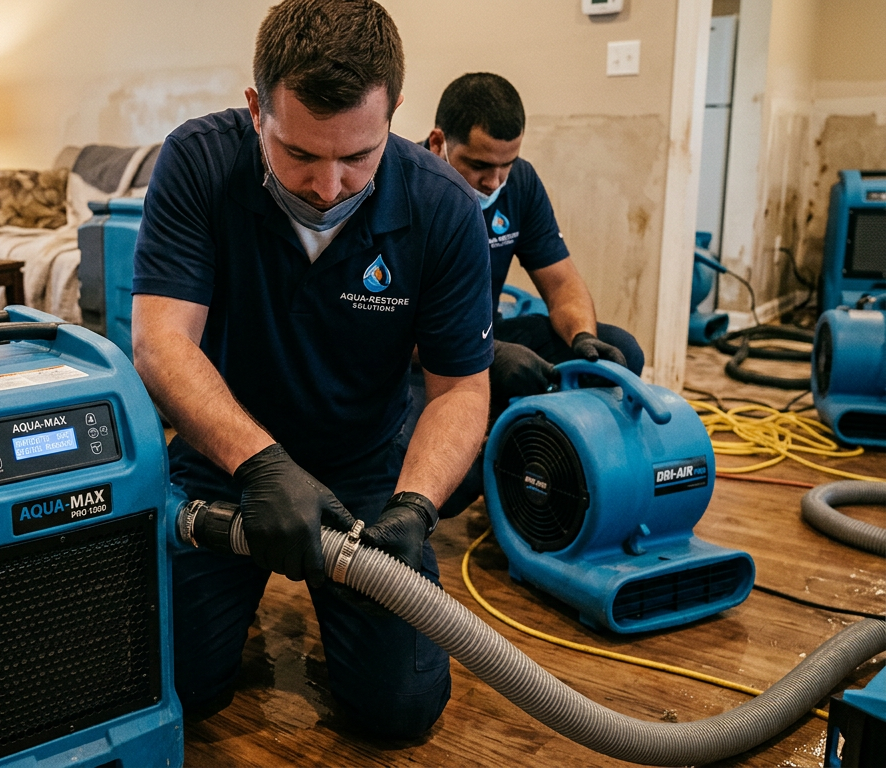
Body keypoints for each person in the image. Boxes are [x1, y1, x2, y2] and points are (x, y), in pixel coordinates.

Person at [131, 0, 492, 739]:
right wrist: (261, 465)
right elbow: (162, 342)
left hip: (366, 474)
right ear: (256, 108)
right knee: (171, 687)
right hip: (226, 464)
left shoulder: (444, 208)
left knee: (399, 712)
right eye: (299, 154)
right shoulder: (199, 163)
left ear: (393, 113)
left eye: (358, 156)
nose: (329, 187)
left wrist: (416, 506)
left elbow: (461, 388)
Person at [426, 72, 644, 405]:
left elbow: (560, 284)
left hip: (487, 334)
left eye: (506, 165)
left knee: (620, 353)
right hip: (419, 352)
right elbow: (376, 328)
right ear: (438, 143)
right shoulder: (406, 185)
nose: (494, 181)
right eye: (479, 165)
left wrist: (582, 335)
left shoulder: (521, 182)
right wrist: (482, 356)